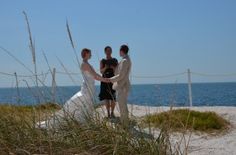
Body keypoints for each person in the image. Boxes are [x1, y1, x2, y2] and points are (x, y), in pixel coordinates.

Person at [38, 48, 108, 128]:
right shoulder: (84, 64)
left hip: (90, 87)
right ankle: (82, 123)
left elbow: (95, 74)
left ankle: (84, 123)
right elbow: (95, 76)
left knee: (87, 105)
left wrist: (104, 78)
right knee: (83, 104)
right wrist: (106, 80)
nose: (91, 55)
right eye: (90, 53)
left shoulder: (87, 63)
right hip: (87, 88)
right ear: (86, 54)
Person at [108, 45, 132, 128]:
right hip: (122, 85)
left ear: (122, 51)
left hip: (123, 85)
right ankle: (124, 123)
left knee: (122, 106)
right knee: (123, 105)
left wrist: (110, 79)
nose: (118, 52)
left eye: (119, 50)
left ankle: (125, 125)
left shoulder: (125, 60)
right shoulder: (125, 60)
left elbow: (121, 75)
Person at [99, 46, 118, 118]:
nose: (109, 52)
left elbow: (118, 71)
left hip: (113, 80)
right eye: (107, 51)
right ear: (105, 52)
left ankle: (112, 112)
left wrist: (113, 68)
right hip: (105, 80)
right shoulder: (103, 61)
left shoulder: (115, 60)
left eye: (110, 50)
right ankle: (108, 113)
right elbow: (101, 71)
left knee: (113, 97)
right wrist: (106, 67)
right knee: (106, 98)